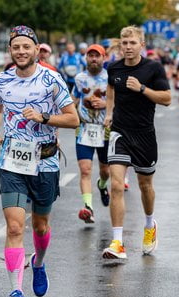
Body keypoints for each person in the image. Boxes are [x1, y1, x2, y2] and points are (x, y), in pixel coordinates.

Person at [0, 25, 79, 297]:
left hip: (46, 161)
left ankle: (38, 262)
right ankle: (16, 291)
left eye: (26, 46)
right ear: (10, 51)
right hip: (12, 162)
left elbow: (73, 119)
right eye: (16, 47)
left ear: (37, 49)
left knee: (40, 225)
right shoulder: (2, 80)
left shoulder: (52, 79)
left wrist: (43, 116)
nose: (21, 51)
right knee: (14, 226)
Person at [103, 26, 171, 260]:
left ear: (142, 44)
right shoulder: (113, 68)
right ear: (120, 45)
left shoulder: (153, 68)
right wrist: (109, 113)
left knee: (145, 187)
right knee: (116, 185)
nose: (128, 47)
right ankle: (117, 243)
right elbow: (110, 91)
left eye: (133, 43)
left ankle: (150, 225)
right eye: (125, 43)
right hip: (120, 132)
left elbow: (167, 98)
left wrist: (142, 88)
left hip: (144, 135)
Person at [72, 44, 111, 224]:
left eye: (97, 56)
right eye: (90, 56)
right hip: (85, 127)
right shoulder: (79, 78)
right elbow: (74, 100)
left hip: (105, 128)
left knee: (105, 170)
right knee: (85, 169)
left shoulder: (110, 78)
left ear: (104, 58)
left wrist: (106, 106)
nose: (93, 59)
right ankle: (88, 207)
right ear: (86, 58)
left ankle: (102, 185)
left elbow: (118, 101)